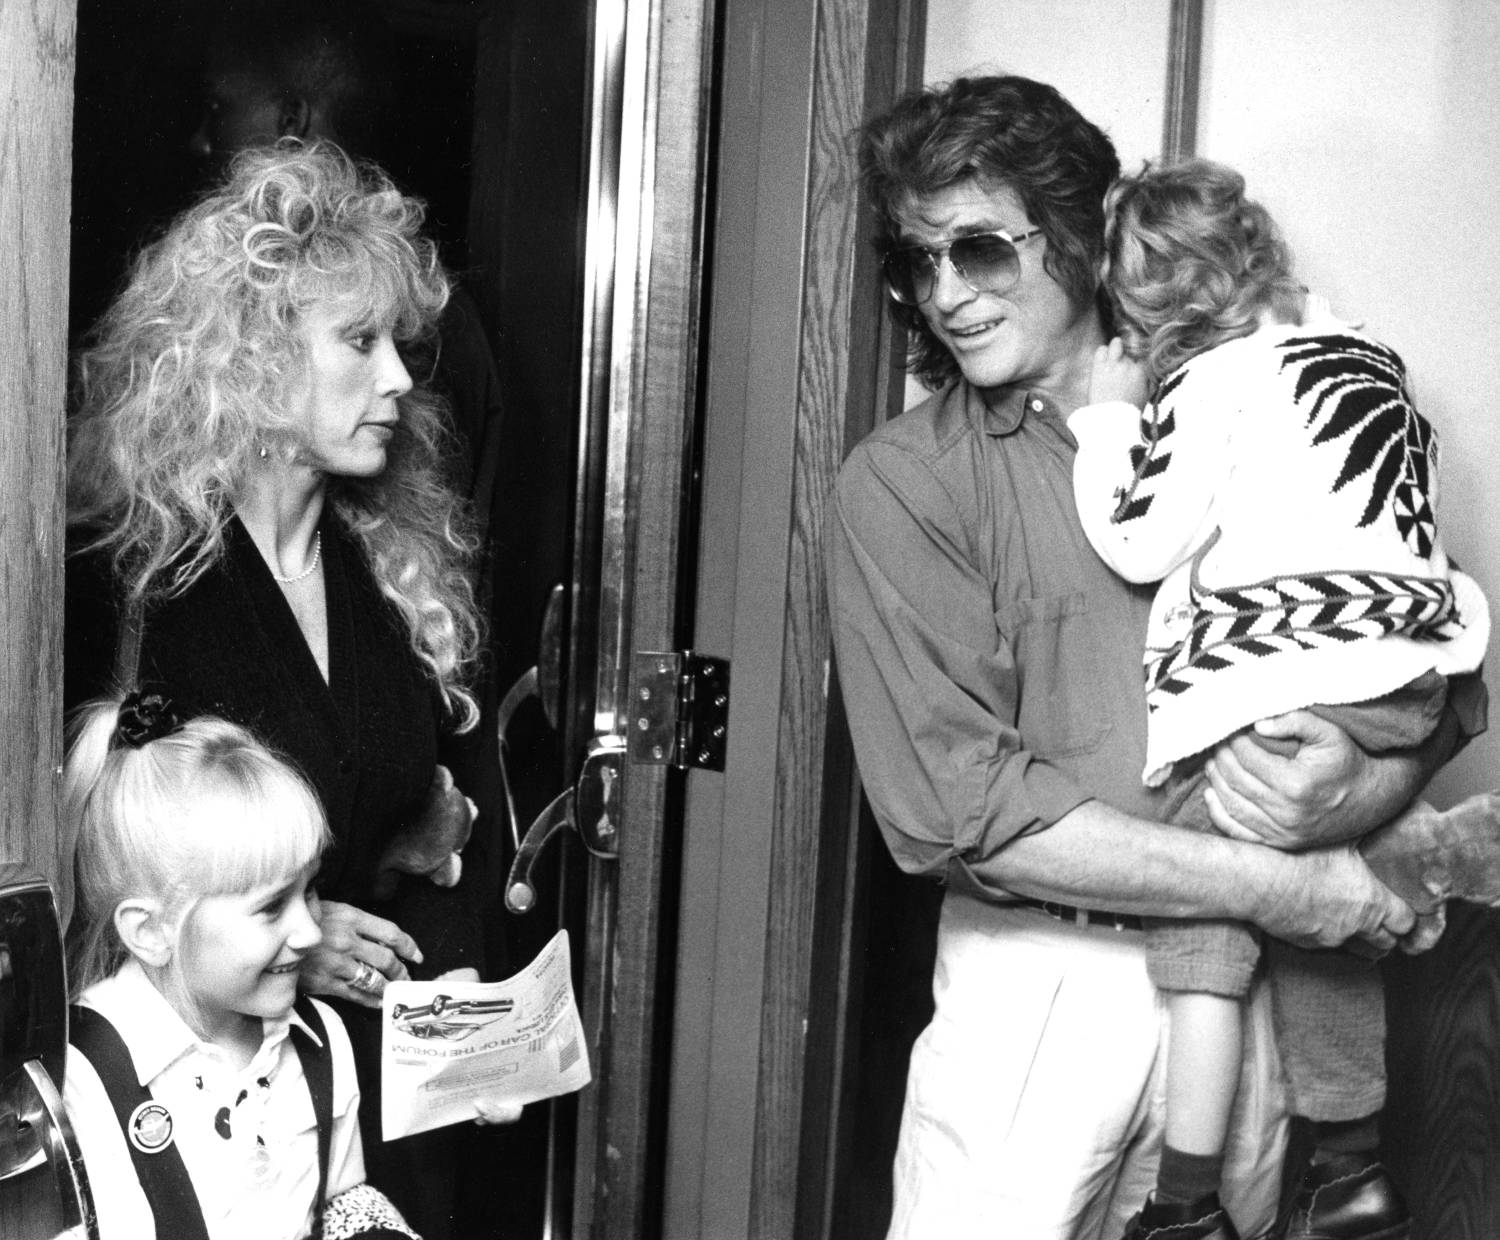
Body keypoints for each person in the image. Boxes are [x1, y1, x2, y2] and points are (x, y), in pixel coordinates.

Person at [826, 75, 1487, 1240]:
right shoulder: (902, 486)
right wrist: (1298, 884)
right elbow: (966, 810)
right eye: (917, 264)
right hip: (1039, 1001)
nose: (943, 295)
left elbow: (1427, 668)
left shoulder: (1269, 396)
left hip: (1266, 995)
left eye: (978, 251)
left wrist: (1356, 777)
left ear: (1079, 236)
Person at [64, 141, 511, 1239]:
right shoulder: (141, 583)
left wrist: (424, 840)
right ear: (253, 361)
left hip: (396, 1093)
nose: (401, 379)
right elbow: (106, 861)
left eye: (398, 345)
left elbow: (382, 793)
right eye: (360, 342)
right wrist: (306, 932)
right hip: (214, 1101)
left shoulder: (392, 564)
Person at [1071, 158, 1493, 1239]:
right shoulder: (1370, 355)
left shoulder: (1216, 380)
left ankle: (1184, 1202)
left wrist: (1110, 420)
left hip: (1304, 685)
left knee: (1213, 914)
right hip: (1407, 679)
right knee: (1321, 904)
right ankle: (1349, 1169)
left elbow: (1139, 539)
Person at [63, 691, 417, 1239]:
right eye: (272, 907)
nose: (311, 931)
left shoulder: (321, 1040)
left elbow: (342, 1201)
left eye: (311, 889)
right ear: (152, 932)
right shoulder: (85, 1075)